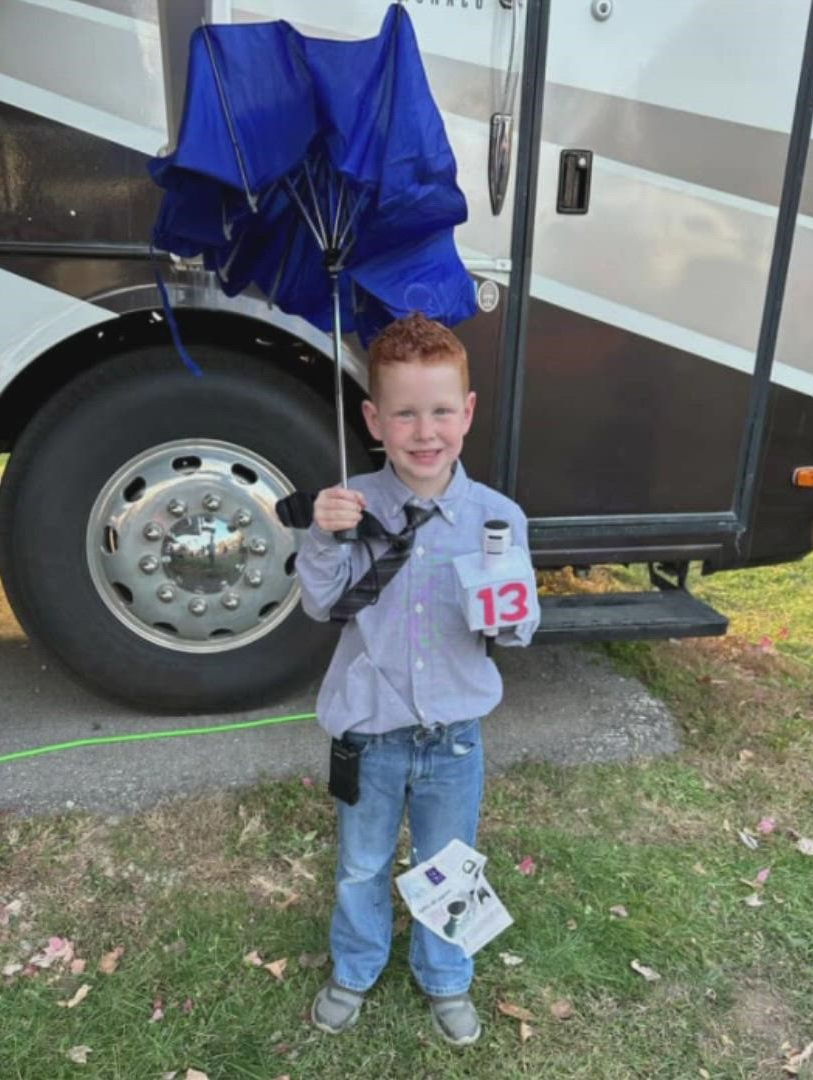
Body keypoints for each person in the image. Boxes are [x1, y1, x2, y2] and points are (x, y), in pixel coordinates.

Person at [295, 312, 539, 1047]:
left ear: (466, 413)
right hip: (370, 734)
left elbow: (519, 628)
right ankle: (356, 966)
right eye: (404, 413)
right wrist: (320, 533)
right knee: (361, 863)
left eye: (440, 411)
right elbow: (319, 604)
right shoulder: (352, 507)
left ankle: (445, 976)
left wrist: (507, 603)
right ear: (374, 419)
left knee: (449, 864)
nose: (423, 431)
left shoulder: (498, 517)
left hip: (454, 739)